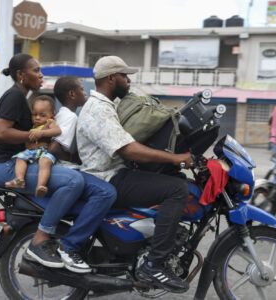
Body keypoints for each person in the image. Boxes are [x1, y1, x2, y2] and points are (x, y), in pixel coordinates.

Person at [76, 56, 192, 293]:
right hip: (108, 177)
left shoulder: (109, 105)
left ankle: (150, 245)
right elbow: (128, 149)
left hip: (116, 172)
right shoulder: (98, 109)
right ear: (111, 78)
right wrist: (174, 158)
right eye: (124, 76)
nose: (128, 81)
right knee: (177, 190)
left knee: (176, 180)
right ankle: (154, 264)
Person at [0, 53, 84, 269]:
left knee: (76, 181)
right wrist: (34, 136)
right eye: (36, 71)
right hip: (7, 166)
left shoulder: (22, 97)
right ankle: (40, 240)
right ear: (21, 75)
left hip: (15, 163)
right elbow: (1, 133)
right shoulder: (14, 96)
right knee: (73, 181)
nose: (41, 75)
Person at [48, 76, 117, 273]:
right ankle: (70, 245)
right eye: (81, 89)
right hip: (67, 172)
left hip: (64, 170)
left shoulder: (64, 115)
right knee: (106, 193)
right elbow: (54, 148)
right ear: (71, 94)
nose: (84, 93)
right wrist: (75, 159)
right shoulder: (70, 117)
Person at [5, 95, 62, 198]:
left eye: (42, 115)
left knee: (44, 163)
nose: (37, 118)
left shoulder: (50, 123)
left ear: (52, 114)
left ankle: (41, 186)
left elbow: (57, 131)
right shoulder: (33, 126)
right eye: (34, 114)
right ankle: (20, 179)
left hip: (44, 151)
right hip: (32, 152)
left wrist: (42, 133)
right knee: (20, 158)